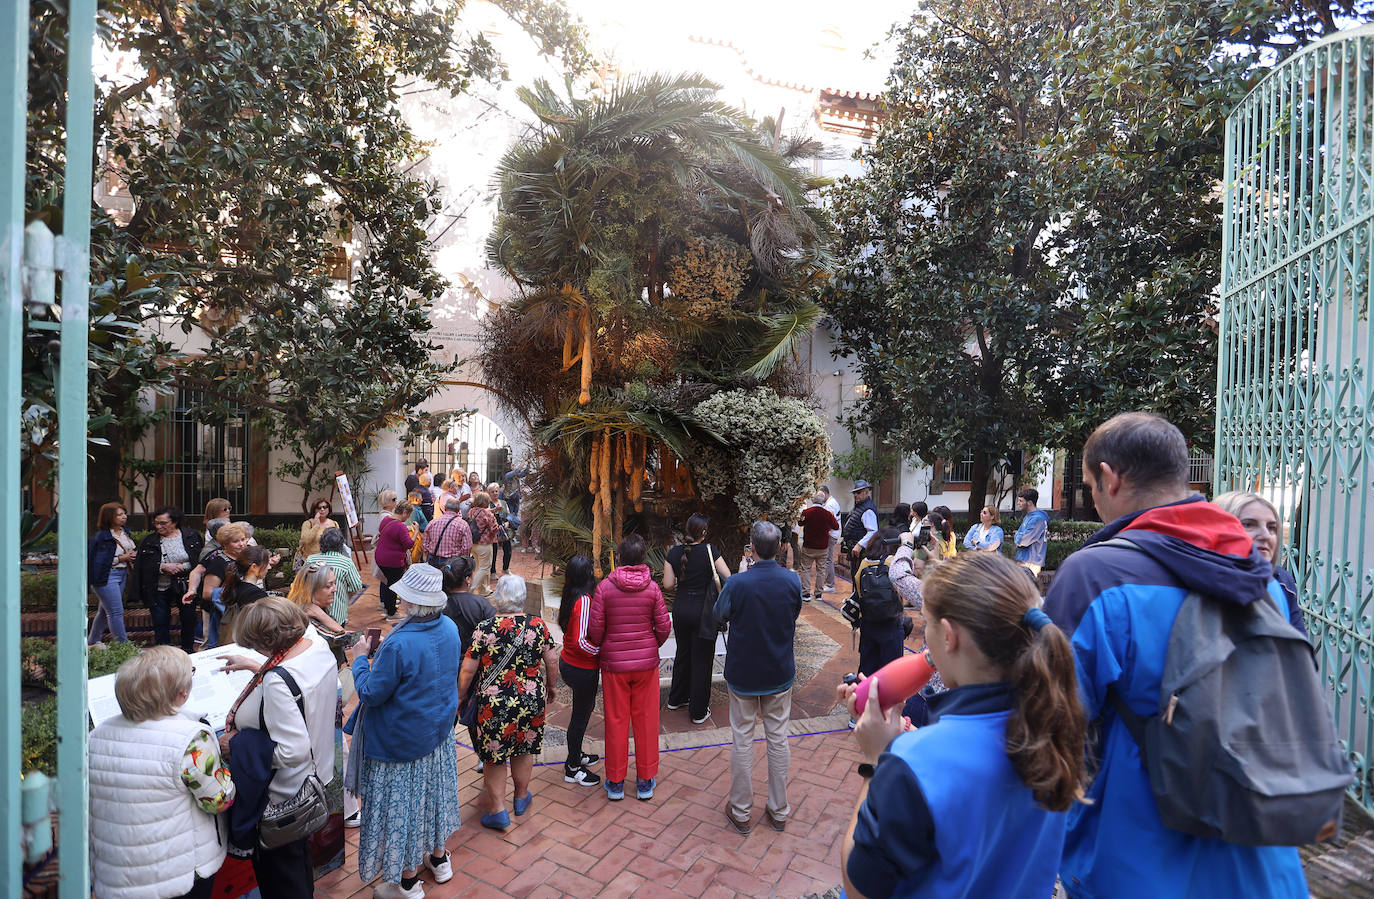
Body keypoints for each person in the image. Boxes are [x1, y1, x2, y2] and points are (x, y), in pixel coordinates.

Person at [1043, 412, 1309, 898]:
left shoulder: (1095, 574)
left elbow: (1051, 729)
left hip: (1137, 862)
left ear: (1109, 477)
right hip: (1263, 856)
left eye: (1090, 485)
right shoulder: (1262, 576)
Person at [839, 552, 1088, 898]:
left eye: (926, 624)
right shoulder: (1055, 726)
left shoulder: (912, 763)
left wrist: (878, 761)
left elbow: (858, 889)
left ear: (948, 636)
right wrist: (915, 746)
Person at [349, 564, 462, 897]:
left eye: (404, 596)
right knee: (433, 799)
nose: (400, 600)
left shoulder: (399, 645)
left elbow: (371, 693)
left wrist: (360, 659)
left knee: (404, 810)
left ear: (414, 602)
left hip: (401, 742)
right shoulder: (449, 627)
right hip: (437, 733)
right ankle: (439, 859)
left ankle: (408, 882)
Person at [89, 646, 234, 899]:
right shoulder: (191, 739)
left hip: (116, 871)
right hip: (177, 872)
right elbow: (218, 800)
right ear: (181, 692)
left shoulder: (98, 734)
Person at [221, 598, 338, 898]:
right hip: (313, 780)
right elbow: (301, 686)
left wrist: (238, 746)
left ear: (266, 642)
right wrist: (256, 667)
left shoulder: (277, 682)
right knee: (297, 865)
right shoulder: (316, 645)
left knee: (282, 879)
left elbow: (292, 751)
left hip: (282, 798)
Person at [713, 521, 803, 834]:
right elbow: (794, 614)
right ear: (779, 548)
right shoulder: (792, 581)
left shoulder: (738, 583)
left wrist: (738, 575)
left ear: (752, 548)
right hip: (778, 670)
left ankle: (741, 811)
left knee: (742, 738)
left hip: (744, 672)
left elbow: (719, 614)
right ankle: (778, 810)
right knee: (778, 738)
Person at [460, 575, 559, 829]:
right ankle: (521, 797)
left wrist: (460, 696)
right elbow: (552, 660)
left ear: (498, 597)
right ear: (522, 597)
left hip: (494, 704)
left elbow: (469, 668)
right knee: (524, 747)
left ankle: (498, 810)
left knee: (494, 754)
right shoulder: (537, 625)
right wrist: (551, 687)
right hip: (529, 700)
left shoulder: (485, 628)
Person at [587, 535, 671, 802]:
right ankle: (645, 780)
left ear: (621, 558)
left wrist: (608, 646)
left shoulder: (604, 588)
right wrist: (650, 645)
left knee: (616, 721)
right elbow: (664, 627)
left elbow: (595, 630)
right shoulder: (653, 589)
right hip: (646, 665)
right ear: (643, 557)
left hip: (614, 665)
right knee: (647, 721)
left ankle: (615, 782)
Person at [663, 514, 733, 724]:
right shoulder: (711, 551)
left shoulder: (674, 552)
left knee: (683, 653)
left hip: (681, 609)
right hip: (704, 612)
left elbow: (668, 584)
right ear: (703, 532)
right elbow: (728, 577)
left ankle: (676, 699)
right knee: (702, 659)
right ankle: (698, 711)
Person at [1211, 490, 1308, 637]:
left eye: (1271, 527)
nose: (1265, 535)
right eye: (1249, 524)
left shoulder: (1282, 582)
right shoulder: (1197, 583)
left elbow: (1298, 644)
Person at [555, 554, 603, 786]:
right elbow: (581, 641)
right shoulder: (583, 600)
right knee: (580, 717)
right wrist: (601, 652)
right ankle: (573, 768)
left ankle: (576, 754)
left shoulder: (570, 594)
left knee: (581, 712)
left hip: (572, 664)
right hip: (580, 667)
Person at [130, 506, 205, 651]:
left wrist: (183, 566)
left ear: (175, 522)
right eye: (156, 523)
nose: (159, 526)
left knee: (188, 618)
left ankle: (188, 650)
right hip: (159, 587)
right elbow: (143, 565)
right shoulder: (150, 541)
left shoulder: (192, 536)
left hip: (185, 585)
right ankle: (164, 653)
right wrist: (162, 567)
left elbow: (199, 560)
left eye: (163, 523)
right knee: (160, 620)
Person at [184, 522, 252, 649]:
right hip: (217, 612)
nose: (242, 544)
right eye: (236, 541)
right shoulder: (218, 561)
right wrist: (191, 590)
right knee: (213, 646)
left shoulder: (244, 556)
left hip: (236, 611)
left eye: (243, 539)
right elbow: (207, 592)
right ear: (225, 544)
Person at [88, 501, 137, 646]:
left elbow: (129, 549)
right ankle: (124, 646)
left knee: (104, 611)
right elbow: (98, 561)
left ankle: (93, 640)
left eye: (124, 513)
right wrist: (122, 558)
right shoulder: (102, 537)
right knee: (115, 611)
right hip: (106, 576)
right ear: (109, 517)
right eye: (119, 515)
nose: (124, 517)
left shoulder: (125, 532)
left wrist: (132, 555)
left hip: (122, 574)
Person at [305, 527, 363, 624]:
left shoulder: (311, 559)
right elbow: (357, 586)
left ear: (321, 543)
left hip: (313, 612)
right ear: (341, 544)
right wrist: (346, 594)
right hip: (338, 614)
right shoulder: (346, 563)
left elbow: (303, 582)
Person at [218, 546, 274, 646]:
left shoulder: (236, 586)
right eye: (267, 564)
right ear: (254, 567)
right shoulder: (255, 594)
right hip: (251, 645)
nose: (269, 567)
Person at [375, 499, 415, 619]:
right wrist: (416, 532)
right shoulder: (400, 526)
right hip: (392, 561)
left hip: (381, 557)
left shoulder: (386, 519)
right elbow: (409, 544)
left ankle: (387, 608)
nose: (407, 518)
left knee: (388, 583)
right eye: (408, 515)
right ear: (404, 512)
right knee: (393, 586)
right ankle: (392, 612)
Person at [798, 493, 840, 602]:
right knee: (821, 570)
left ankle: (806, 593)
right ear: (822, 501)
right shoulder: (827, 514)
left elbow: (800, 523)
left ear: (812, 500)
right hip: (823, 547)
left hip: (809, 546)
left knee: (806, 569)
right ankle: (818, 594)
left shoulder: (806, 512)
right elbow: (836, 526)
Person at [423, 496, 473, 565]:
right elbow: (467, 547)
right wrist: (461, 560)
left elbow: (425, 543)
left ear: (445, 508)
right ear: (458, 510)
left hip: (433, 559)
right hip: (452, 562)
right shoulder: (463, 525)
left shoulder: (433, 522)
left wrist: (426, 555)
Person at [466, 493, 500, 596]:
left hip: (473, 543)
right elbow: (494, 528)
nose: (489, 502)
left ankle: (484, 590)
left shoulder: (471, 511)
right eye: (488, 500)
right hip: (484, 544)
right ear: (484, 502)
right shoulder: (487, 513)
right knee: (485, 568)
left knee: (479, 567)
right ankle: (470, 589)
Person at [1013, 488, 1050, 576]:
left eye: (1021, 501)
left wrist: (1017, 537)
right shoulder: (1030, 516)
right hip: (1026, 559)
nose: (1018, 503)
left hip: (1030, 561)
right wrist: (1019, 536)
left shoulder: (1037, 519)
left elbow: (1023, 541)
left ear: (1029, 502)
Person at [844, 480, 880, 562]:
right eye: (854, 493)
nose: (855, 495)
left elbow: (873, 531)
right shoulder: (860, 506)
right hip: (855, 548)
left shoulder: (868, 509)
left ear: (866, 492)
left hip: (861, 551)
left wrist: (860, 545)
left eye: (858, 492)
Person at [297, 499, 339, 564]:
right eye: (319, 508)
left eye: (325, 507)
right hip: (311, 562)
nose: (322, 509)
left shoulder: (334, 523)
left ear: (329, 509)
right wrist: (316, 525)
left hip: (330, 561)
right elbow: (305, 540)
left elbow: (338, 543)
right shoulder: (308, 523)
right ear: (314, 510)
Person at [487, 484, 514, 577]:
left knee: (508, 549)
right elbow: (485, 513)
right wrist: (495, 510)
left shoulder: (503, 502)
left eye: (496, 491)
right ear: (488, 493)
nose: (495, 493)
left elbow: (509, 514)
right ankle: (493, 572)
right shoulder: (487, 503)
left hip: (504, 529)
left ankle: (505, 568)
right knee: (493, 551)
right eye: (492, 492)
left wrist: (507, 522)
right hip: (493, 529)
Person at [820, 485, 842, 592]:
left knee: (828, 560)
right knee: (827, 559)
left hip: (831, 534)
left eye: (820, 495)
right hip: (833, 533)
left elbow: (830, 523)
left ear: (825, 493)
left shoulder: (830, 505)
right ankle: (828, 582)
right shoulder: (831, 502)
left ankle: (830, 585)